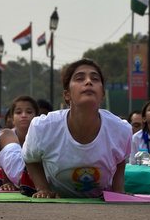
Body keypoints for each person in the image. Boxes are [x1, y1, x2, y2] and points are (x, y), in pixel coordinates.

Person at [22, 59, 131, 198]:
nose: (88, 82)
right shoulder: (42, 127)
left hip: (100, 201)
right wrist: (43, 189)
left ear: (102, 94)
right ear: (67, 95)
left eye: (95, 78)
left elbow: (121, 160)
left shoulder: (121, 129)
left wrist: (118, 191)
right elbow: (30, 158)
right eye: (80, 78)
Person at [0, 96, 38, 191]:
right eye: (18, 112)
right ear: (12, 118)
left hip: (35, 178)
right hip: (16, 178)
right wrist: (7, 182)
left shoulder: (44, 137)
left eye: (29, 112)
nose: (24, 115)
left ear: (37, 117)